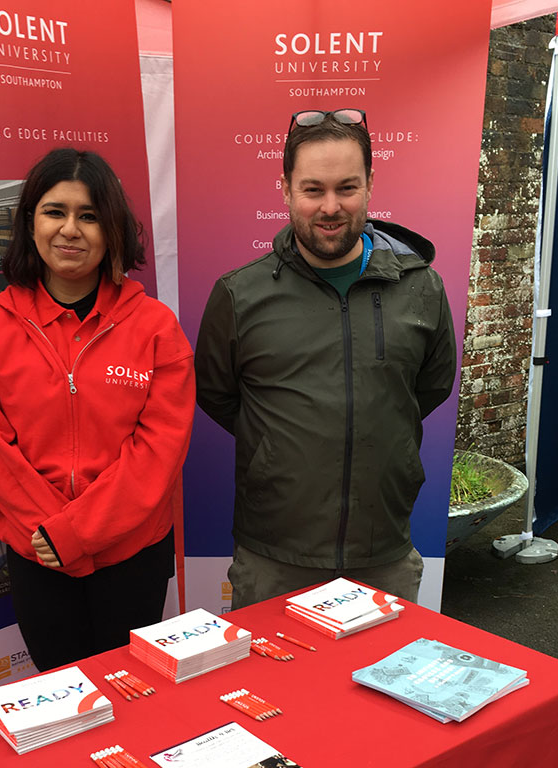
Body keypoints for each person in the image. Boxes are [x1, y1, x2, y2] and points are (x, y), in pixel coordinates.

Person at [195, 108, 456, 608]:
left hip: (383, 549)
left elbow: (429, 387)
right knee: (270, 688)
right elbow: (218, 394)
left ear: (371, 184)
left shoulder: (422, 286)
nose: (330, 206)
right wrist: (278, 446)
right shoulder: (239, 294)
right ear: (286, 189)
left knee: (384, 685)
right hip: (274, 554)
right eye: (313, 189)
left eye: (347, 187)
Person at [0, 148, 195, 670]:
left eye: (88, 216)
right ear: (29, 222)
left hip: (131, 555)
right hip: (37, 554)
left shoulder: (155, 328)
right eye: (54, 212)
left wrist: (75, 533)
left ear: (112, 230)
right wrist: (49, 533)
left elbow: (159, 451)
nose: (70, 230)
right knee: (63, 699)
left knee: (133, 696)